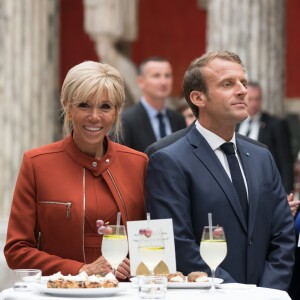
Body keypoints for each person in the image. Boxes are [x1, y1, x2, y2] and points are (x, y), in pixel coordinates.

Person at [145, 51, 295, 290]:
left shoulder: (261, 156)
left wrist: (268, 292)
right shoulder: (167, 158)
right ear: (198, 98)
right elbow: (179, 243)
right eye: (228, 84)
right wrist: (237, 294)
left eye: (243, 83)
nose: (242, 91)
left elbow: (283, 235)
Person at [4, 61, 148, 279]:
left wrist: (137, 264)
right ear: (67, 108)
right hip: (59, 294)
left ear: (117, 112)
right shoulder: (37, 163)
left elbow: (151, 240)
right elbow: (17, 251)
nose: (94, 116)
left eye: (105, 107)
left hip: (122, 293)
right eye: (83, 105)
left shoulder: (138, 163)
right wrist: (80, 270)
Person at [237, 81, 294, 193]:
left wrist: (287, 191)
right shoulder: (234, 124)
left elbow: (286, 161)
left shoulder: (275, 124)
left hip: (266, 185)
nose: (254, 103)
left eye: (257, 99)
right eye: (251, 99)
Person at [120, 56, 186, 152]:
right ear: (141, 82)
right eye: (156, 76)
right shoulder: (126, 120)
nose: (163, 82)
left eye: (167, 76)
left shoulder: (178, 119)